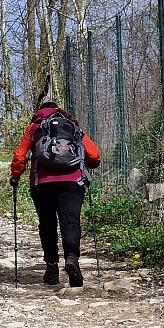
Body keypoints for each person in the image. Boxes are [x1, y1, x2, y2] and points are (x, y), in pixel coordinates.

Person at [9, 98, 100, 287]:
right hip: (73, 182)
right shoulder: (73, 127)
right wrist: (86, 165)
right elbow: (94, 156)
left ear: (40, 112)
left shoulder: (34, 128)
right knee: (70, 222)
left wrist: (15, 176)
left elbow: (20, 156)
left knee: (47, 225)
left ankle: (51, 269)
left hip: (42, 184)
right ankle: (72, 260)